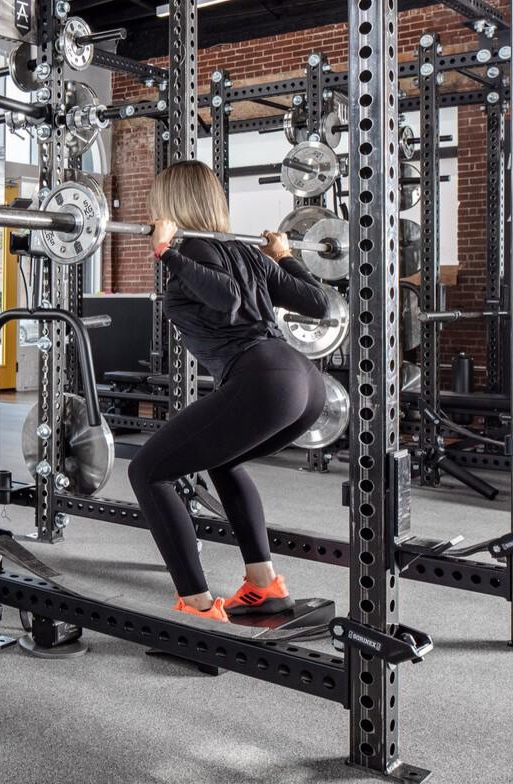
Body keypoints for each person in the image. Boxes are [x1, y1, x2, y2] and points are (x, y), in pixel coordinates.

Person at [128, 160, 332, 622]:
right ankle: (265, 587)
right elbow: (316, 302)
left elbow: (226, 298)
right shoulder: (249, 255)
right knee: (221, 460)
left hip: (265, 378)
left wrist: (166, 252)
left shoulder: (191, 253)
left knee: (147, 471)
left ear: (171, 207)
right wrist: (283, 256)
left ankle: (197, 607)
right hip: (304, 382)